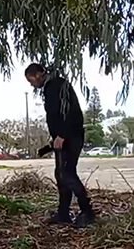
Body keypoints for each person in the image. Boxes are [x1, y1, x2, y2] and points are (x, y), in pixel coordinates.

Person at [25, 63, 96, 228]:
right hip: (64, 138)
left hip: (71, 137)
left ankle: (87, 211)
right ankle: (63, 213)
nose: (32, 85)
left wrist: (62, 135)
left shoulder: (56, 85)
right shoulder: (52, 86)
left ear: (39, 74)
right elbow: (57, 116)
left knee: (67, 174)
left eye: (31, 80)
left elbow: (70, 112)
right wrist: (51, 143)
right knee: (61, 175)